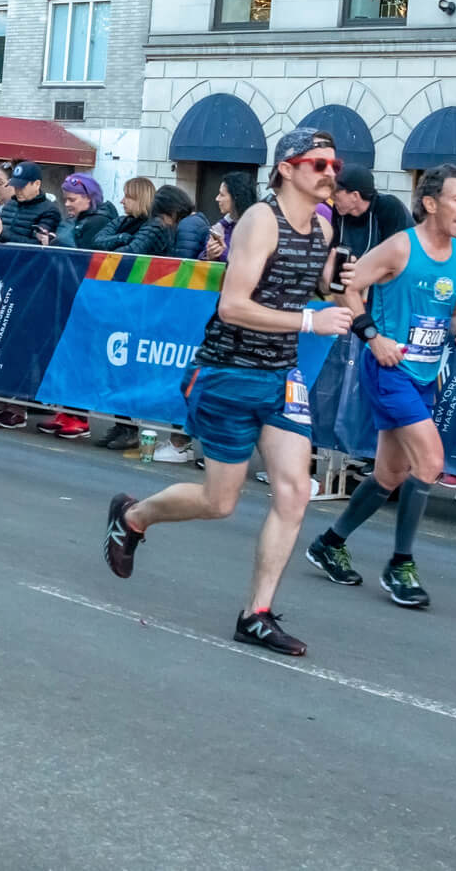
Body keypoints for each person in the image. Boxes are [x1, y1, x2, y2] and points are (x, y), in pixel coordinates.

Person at [104, 130, 351, 655]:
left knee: (295, 490)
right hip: (228, 371)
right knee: (219, 502)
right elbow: (233, 305)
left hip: (282, 377)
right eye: (318, 162)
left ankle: (256, 614)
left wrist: (336, 284)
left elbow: (311, 284)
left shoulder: (324, 226)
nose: (330, 171)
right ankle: (133, 517)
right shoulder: (261, 220)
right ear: (287, 168)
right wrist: (311, 319)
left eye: (335, 163)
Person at [306, 164, 456, 609]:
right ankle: (400, 564)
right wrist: (372, 336)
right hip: (388, 370)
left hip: (424, 375)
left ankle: (329, 541)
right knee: (431, 460)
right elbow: (348, 285)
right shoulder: (400, 248)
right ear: (430, 203)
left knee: (389, 474)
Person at [0, 162, 60, 245]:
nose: (17, 190)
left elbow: (39, 245)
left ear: (37, 184)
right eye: (15, 186)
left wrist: (0, 234)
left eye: (22, 186)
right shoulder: (10, 204)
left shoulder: (50, 211)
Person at [93, 177, 164, 256]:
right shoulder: (121, 220)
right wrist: (121, 238)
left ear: (140, 199)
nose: (122, 201)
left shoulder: (154, 226)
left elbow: (129, 252)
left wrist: (112, 244)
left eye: (127, 197)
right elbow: (97, 241)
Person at [51, 173, 116, 250]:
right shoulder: (79, 218)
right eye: (65, 199)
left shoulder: (98, 222)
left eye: (72, 200)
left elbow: (82, 256)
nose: (66, 204)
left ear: (89, 198)